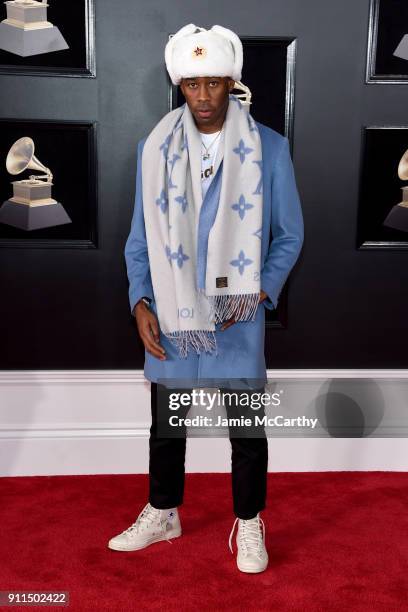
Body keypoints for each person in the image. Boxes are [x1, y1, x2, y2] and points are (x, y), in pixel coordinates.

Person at [108, 23, 304, 574]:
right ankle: (164, 510)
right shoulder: (154, 147)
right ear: (181, 87)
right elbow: (140, 236)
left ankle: (248, 522)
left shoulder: (269, 148)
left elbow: (290, 233)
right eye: (192, 85)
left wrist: (260, 289)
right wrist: (140, 300)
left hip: (236, 313)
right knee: (167, 425)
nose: (203, 97)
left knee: (247, 429)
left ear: (231, 83)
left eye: (214, 84)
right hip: (172, 312)